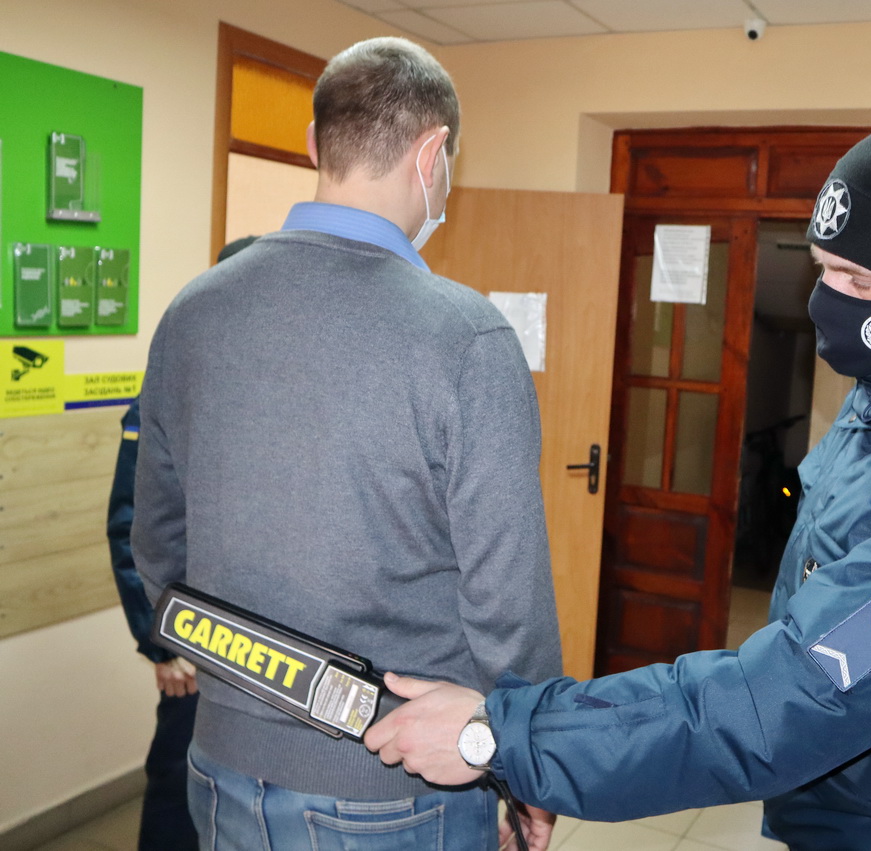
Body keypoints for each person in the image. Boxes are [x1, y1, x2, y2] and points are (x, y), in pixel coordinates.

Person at [367, 119, 871, 850]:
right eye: (823, 268)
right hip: (852, 811)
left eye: (860, 280)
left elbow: (789, 697)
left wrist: (506, 735)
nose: (827, 299)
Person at [131, 37, 561, 851]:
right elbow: (508, 604)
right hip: (397, 787)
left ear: (313, 144)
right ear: (432, 155)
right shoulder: (465, 337)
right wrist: (525, 759)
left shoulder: (194, 311)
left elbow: (156, 545)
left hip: (217, 766)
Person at [107, 236, 257, 851]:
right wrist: (160, 642)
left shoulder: (284, 393)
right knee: (178, 794)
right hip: (196, 651)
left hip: (268, 661)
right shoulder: (171, 392)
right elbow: (133, 526)